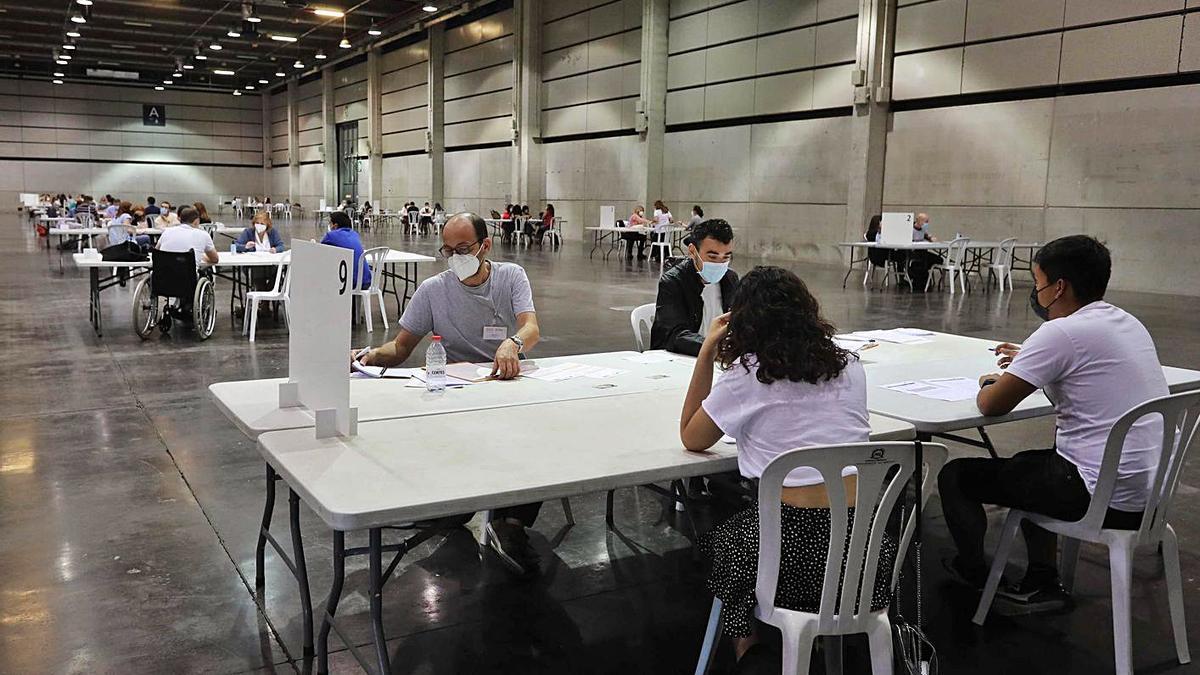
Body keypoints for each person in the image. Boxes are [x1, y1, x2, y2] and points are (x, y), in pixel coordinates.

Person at [939, 235, 1168, 614]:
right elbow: (1082, 364)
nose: (1037, 291)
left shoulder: (1059, 332)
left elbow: (991, 404)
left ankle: (974, 573)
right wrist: (1034, 358)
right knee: (1032, 466)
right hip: (1149, 491)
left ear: (1058, 286)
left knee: (956, 476)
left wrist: (998, 377)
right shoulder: (1126, 322)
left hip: (1098, 494)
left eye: (1038, 281)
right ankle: (1042, 579)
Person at [679, 266, 893, 663]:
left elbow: (692, 437)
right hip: (865, 551)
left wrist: (707, 350)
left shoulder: (748, 373)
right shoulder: (850, 365)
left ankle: (749, 650)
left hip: (787, 556)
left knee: (722, 539)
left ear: (743, 321)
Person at [353, 212, 544, 577]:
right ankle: (459, 504)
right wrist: (369, 355)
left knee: (532, 432)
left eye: (463, 248)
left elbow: (530, 327)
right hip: (456, 391)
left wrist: (512, 343)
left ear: (485, 246)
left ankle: (512, 522)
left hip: (502, 383)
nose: (455, 256)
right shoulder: (433, 290)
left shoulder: (511, 277)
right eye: (448, 249)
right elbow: (400, 348)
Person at [651, 219, 738, 357]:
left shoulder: (730, 279)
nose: (719, 264)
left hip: (719, 358)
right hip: (684, 356)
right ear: (692, 251)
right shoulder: (674, 281)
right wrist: (715, 348)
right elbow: (674, 335)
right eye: (712, 257)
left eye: (726, 257)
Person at [321, 211, 371, 290]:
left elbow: (320, 252)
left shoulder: (331, 236)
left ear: (335, 225)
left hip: (350, 283)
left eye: (330, 223)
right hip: (366, 281)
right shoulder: (355, 234)